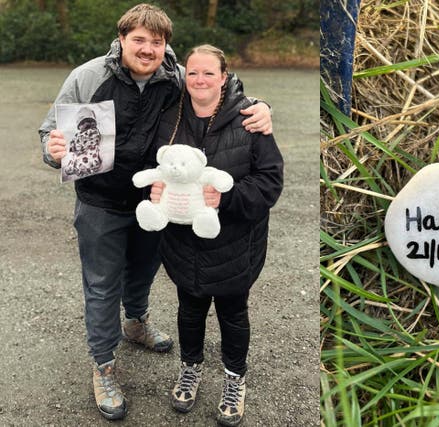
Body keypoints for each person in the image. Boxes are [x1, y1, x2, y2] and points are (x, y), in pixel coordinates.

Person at [37, 3, 272, 421]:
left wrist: (262, 106)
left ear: (166, 46)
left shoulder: (175, 77)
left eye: (157, 42)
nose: (148, 49)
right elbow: (49, 131)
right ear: (122, 38)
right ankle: (104, 366)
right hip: (101, 203)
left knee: (143, 272)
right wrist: (53, 151)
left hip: (156, 206)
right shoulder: (89, 77)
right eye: (139, 40)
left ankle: (136, 322)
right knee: (102, 285)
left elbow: (217, 88)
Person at [147, 44, 283, 426]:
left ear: (224, 77)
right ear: (183, 76)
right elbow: (154, 166)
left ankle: (235, 378)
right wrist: (153, 191)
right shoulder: (170, 116)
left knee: (232, 313)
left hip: (235, 244)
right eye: (192, 73)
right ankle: (191, 368)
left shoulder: (250, 117)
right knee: (189, 309)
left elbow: (270, 181)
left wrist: (228, 198)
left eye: (208, 73)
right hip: (182, 241)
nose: (200, 80)